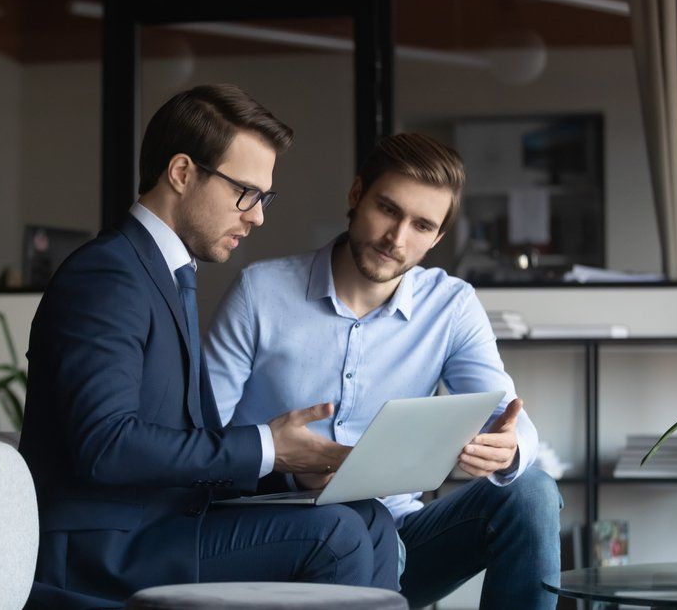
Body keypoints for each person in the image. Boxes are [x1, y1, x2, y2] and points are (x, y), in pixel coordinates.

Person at [19, 84, 398, 609]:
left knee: (369, 517)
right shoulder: (108, 274)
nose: (257, 216)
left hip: (165, 523)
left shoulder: (163, 274)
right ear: (181, 173)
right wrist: (266, 446)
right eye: (246, 192)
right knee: (335, 534)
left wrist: (285, 468)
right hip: (103, 547)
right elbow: (105, 445)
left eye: (264, 197)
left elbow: (177, 446)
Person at [205, 132, 562, 609]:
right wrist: (285, 468)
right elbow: (200, 440)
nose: (397, 239)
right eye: (388, 210)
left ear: (437, 238)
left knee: (532, 491)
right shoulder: (259, 293)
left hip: (397, 532)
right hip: (277, 531)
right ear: (356, 196)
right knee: (357, 529)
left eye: (421, 225)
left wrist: (508, 448)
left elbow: (509, 416)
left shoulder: (452, 306)